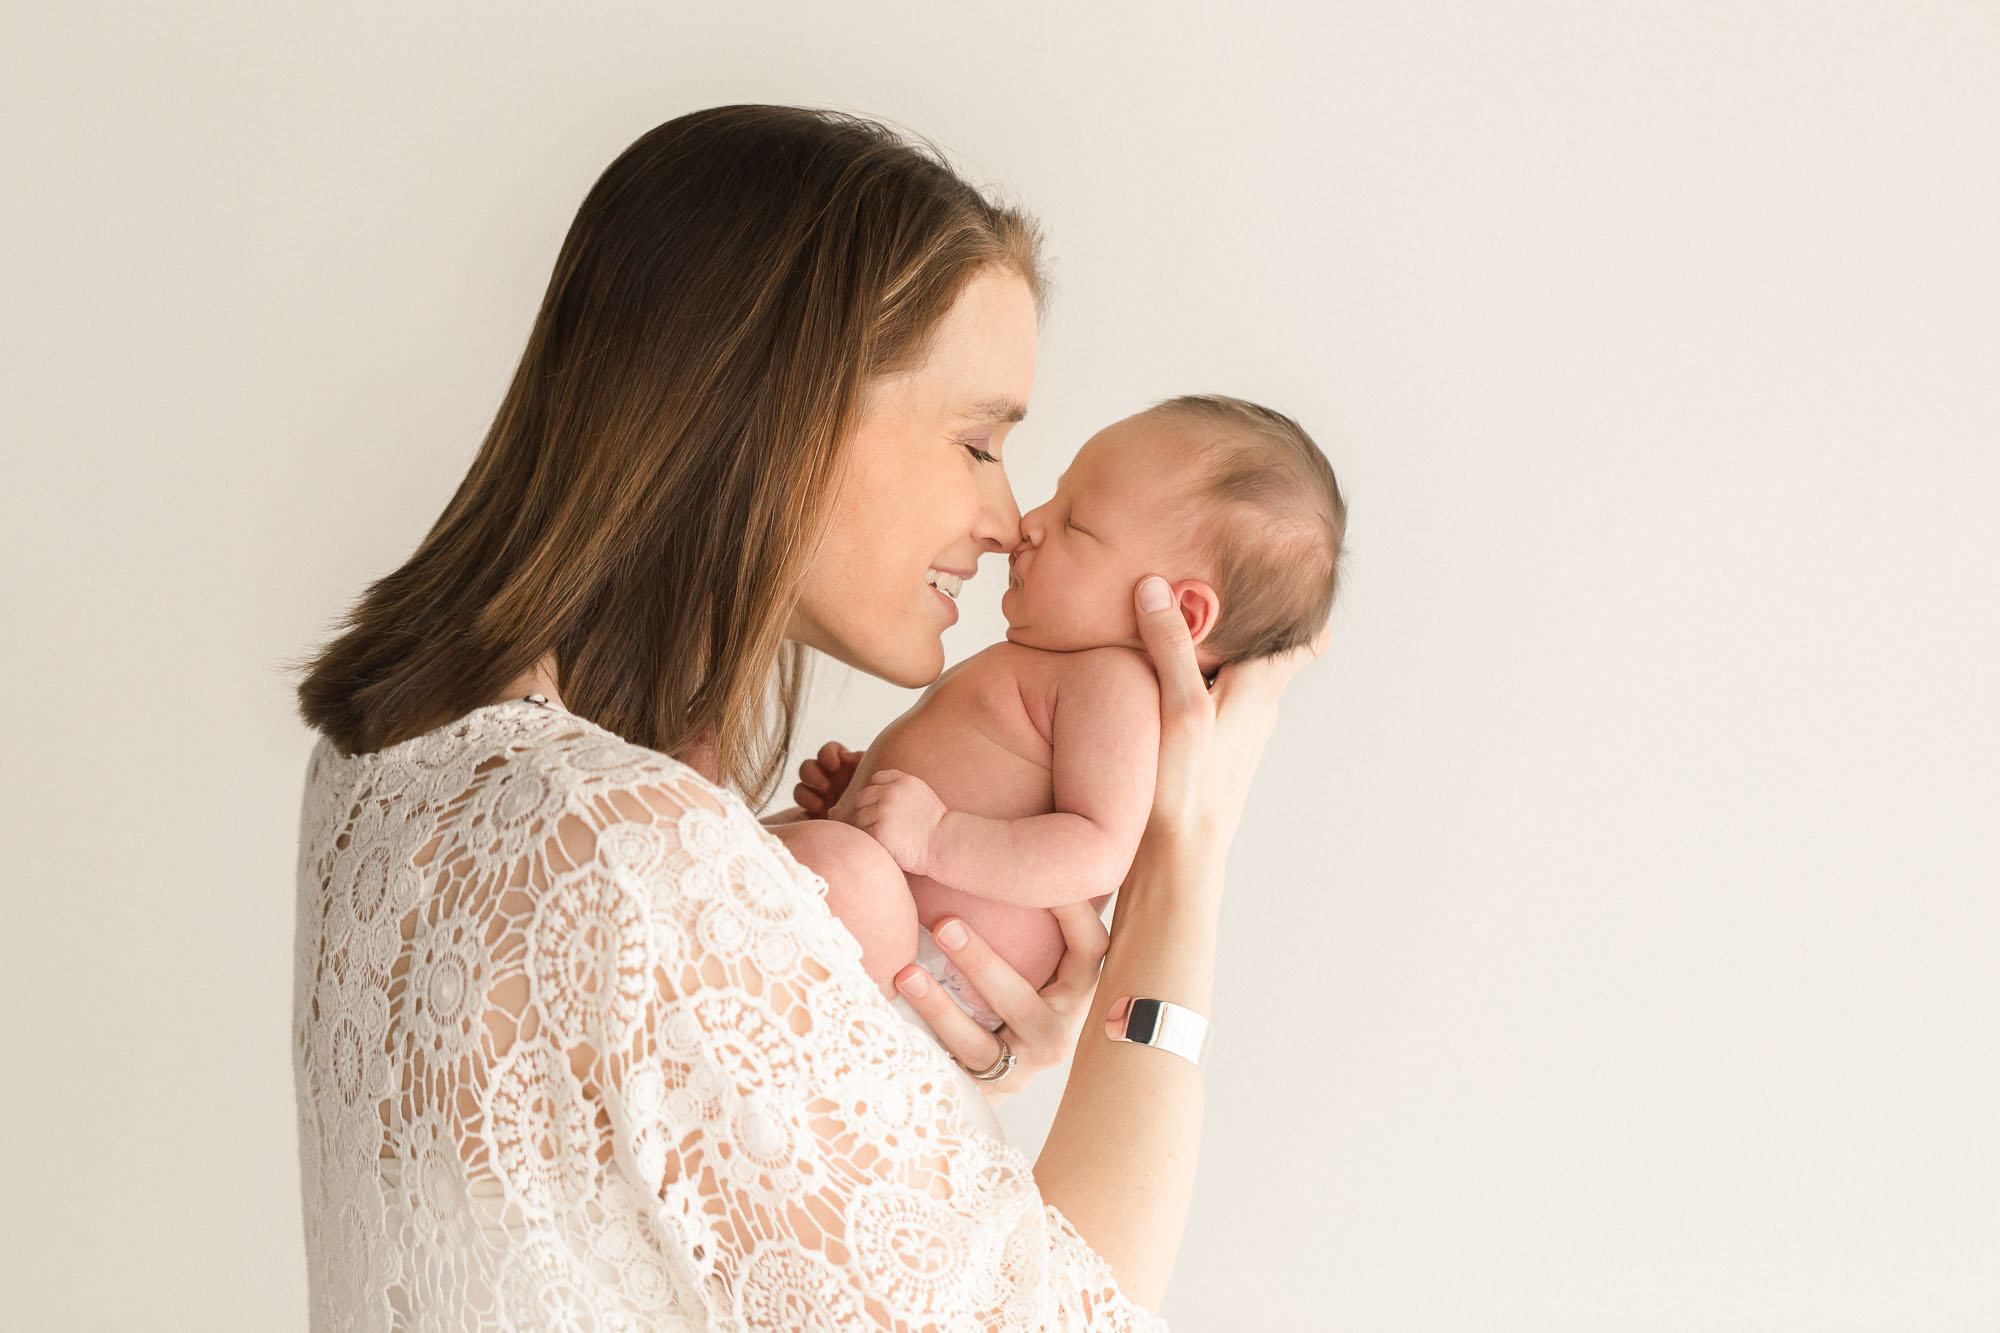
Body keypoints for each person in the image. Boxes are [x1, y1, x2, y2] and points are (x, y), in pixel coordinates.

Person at [291, 104, 1327, 1329]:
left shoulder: (398, 756)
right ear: (780, 403)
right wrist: (1182, 866)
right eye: (980, 439)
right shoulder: (640, 859)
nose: (1008, 520)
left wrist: (897, 1052)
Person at [775, 396, 1345, 1032]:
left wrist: (936, 838)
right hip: (900, 926)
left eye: (1076, 523)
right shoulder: (1059, 665)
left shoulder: (1116, 683)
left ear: (1180, 616)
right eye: (1054, 499)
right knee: (790, 851)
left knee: (818, 868)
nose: (1029, 523)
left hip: (928, 957)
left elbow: (1097, 847)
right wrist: (857, 793)